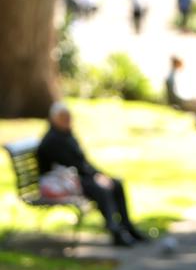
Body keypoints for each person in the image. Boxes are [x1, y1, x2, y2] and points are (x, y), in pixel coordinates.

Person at [37, 102, 148, 247]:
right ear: (54, 119)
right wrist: (96, 176)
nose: (68, 121)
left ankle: (127, 226)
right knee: (101, 189)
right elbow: (73, 166)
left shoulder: (66, 135)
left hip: (75, 178)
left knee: (116, 183)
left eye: (69, 117)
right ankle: (115, 231)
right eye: (63, 118)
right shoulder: (53, 140)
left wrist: (99, 174)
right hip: (62, 182)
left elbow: (83, 162)